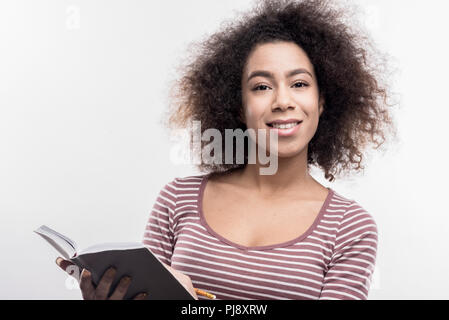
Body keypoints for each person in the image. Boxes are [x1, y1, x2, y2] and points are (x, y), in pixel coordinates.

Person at [57, 0, 394, 300]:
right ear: (237, 106)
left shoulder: (350, 227)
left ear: (323, 100)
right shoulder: (177, 200)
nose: (282, 101)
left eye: (300, 84)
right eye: (261, 86)